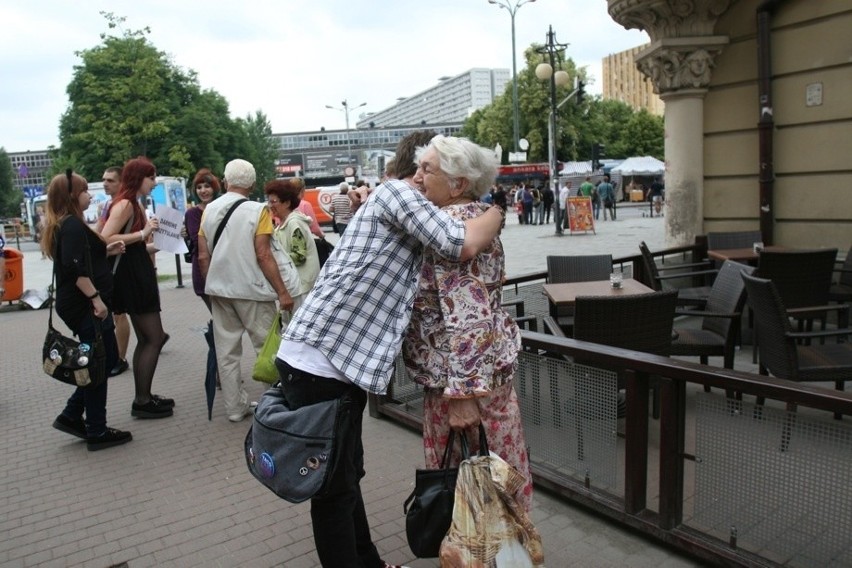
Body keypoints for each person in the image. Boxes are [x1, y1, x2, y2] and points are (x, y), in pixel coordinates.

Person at [274, 130, 504, 568]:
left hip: (330, 363)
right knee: (333, 490)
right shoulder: (397, 193)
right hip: (322, 363)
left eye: (428, 168)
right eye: (419, 166)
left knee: (344, 476)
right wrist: (497, 210)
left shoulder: (401, 203)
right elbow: (464, 242)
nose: (420, 176)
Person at [403, 135, 533, 513]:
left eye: (427, 169)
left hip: (462, 389)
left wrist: (463, 398)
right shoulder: (463, 221)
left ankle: (490, 555)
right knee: (487, 486)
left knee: (478, 493)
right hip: (465, 383)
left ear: (458, 183)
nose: (417, 177)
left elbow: (469, 320)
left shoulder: (453, 228)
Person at [197, 159, 295, 423]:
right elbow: (263, 255)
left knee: (226, 352)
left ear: (226, 181)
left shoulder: (209, 210)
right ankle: (275, 405)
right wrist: (283, 292)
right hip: (252, 290)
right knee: (267, 347)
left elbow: (203, 255)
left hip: (220, 290)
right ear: (251, 184)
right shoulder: (257, 210)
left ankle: (234, 408)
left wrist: (212, 283)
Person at [41, 170, 132, 450]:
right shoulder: (70, 225)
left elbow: (81, 258)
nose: (90, 195)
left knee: (99, 361)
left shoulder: (68, 224)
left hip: (81, 305)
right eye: (84, 191)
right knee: (99, 363)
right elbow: (73, 267)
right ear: (71, 196)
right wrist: (96, 299)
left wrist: (107, 251)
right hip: (85, 306)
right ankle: (96, 429)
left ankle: (72, 416)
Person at [102, 157, 174, 419]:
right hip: (132, 278)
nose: (154, 183)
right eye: (151, 177)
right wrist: (143, 233)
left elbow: (133, 247)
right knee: (153, 337)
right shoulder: (125, 204)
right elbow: (105, 238)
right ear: (138, 178)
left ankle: (144, 396)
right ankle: (142, 400)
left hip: (136, 272)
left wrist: (160, 242)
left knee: (147, 338)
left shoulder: (131, 203)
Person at [95, 166, 132, 377]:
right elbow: (98, 231)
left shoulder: (123, 205)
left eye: (110, 180)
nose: (105, 183)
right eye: (104, 179)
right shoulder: (108, 205)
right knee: (116, 312)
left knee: (120, 312)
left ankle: (120, 357)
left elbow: (105, 235)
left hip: (121, 263)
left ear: (121, 183)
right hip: (109, 263)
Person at [265, 178, 320, 311]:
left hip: (302, 287)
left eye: (273, 202)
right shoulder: (282, 224)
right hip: (294, 285)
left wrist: (273, 260)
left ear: (287, 203)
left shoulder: (294, 223)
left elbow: (300, 255)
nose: (270, 205)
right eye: (269, 201)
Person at [183, 168, 221, 312]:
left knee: (228, 319)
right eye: (199, 187)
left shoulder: (222, 208)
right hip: (203, 269)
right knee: (219, 316)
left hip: (225, 268)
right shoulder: (193, 213)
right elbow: (196, 241)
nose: (203, 190)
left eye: (207, 186)